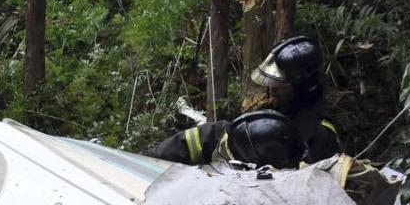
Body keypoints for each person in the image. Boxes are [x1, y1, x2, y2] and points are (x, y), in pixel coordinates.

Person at [145, 36, 342, 168]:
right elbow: (212, 137)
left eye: (279, 84)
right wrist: (146, 159)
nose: (271, 89)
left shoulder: (320, 135)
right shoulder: (277, 110)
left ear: (300, 86)